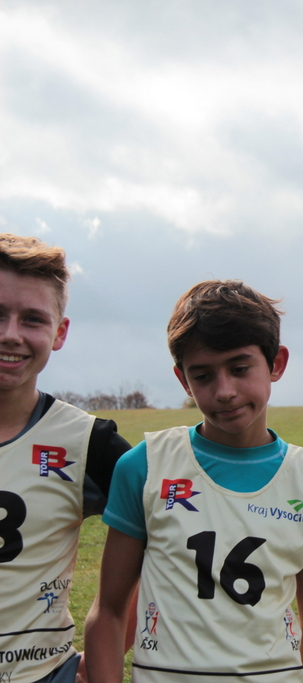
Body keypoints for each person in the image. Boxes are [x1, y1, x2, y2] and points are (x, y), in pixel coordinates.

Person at [84, 280, 303, 682]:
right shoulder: (145, 466)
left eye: (240, 369)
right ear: (183, 380)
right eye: (203, 375)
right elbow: (109, 612)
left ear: (276, 363)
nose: (224, 391)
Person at [0, 233, 132, 683]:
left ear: (59, 333)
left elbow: (168, 539)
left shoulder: (88, 442)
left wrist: (104, 652)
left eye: (33, 319)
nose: (10, 334)